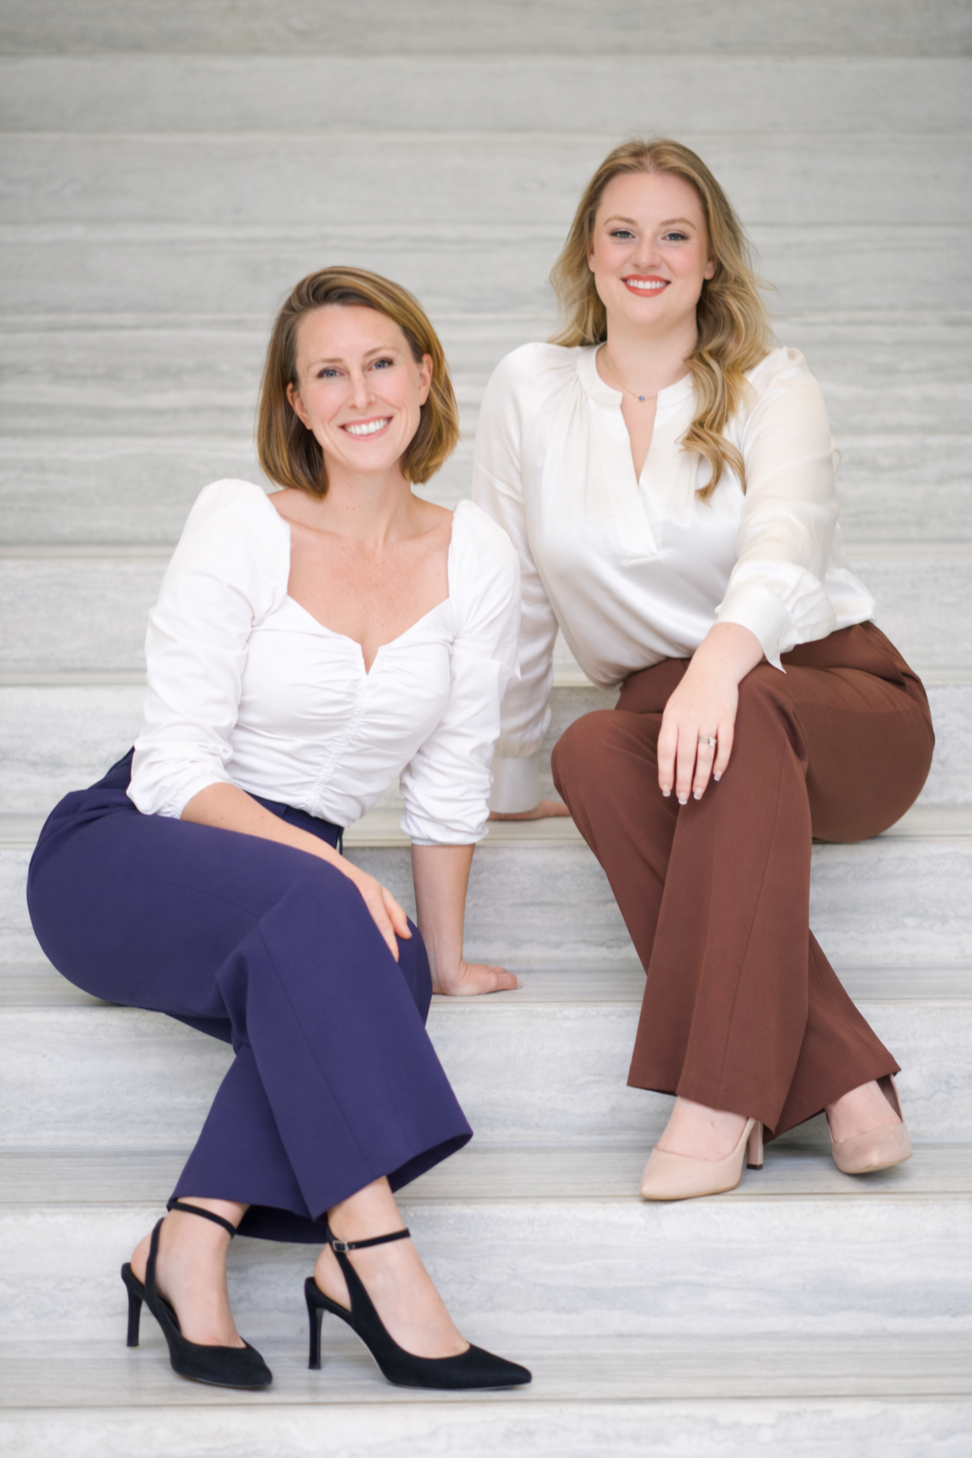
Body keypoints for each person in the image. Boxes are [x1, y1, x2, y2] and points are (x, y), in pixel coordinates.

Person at [27, 266, 531, 1390]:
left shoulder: (477, 555)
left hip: (290, 891)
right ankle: (379, 1259)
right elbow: (175, 767)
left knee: (388, 968)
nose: (361, 391)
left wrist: (440, 953)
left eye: (382, 361)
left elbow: (453, 771)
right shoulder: (240, 524)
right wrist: (324, 866)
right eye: (328, 372)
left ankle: (188, 1239)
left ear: (426, 373)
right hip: (135, 843)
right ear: (296, 403)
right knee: (335, 911)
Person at [473, 139, 933, 1202]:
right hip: (678, 712)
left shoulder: (774, 384)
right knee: (593, 749)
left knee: (743, 710)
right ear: (587, 252)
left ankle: (720, 1098)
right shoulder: (531, 388)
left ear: (712, 258)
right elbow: (514, 596)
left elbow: (786, 542)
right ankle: (845, 1079)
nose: (648, 254)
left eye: (675, 233)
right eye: (622, 231)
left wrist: (720, 667)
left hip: (838, 702)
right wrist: (503, 773)